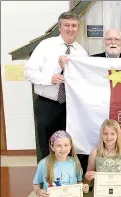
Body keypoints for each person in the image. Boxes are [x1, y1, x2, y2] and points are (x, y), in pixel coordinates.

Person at [78, 28, 121, 197]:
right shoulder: (91, 61)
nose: (113, 42)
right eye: (109, 39)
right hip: (98, 114)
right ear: (104, 41)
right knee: (92, 150)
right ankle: (88, 190)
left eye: (117, 39)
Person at [24, 12, 88, 162]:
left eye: (74, 26)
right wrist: (50, 78)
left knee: (68, 144)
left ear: (78, 28)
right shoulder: (46, 46)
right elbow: (28, 72)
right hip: (47, 104)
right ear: (60, 27)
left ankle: (67, 179)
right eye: (66, 25)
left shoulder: (82, 53)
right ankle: (47, 179)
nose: (70, 29)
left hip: (71, 107)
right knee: (47, 144)